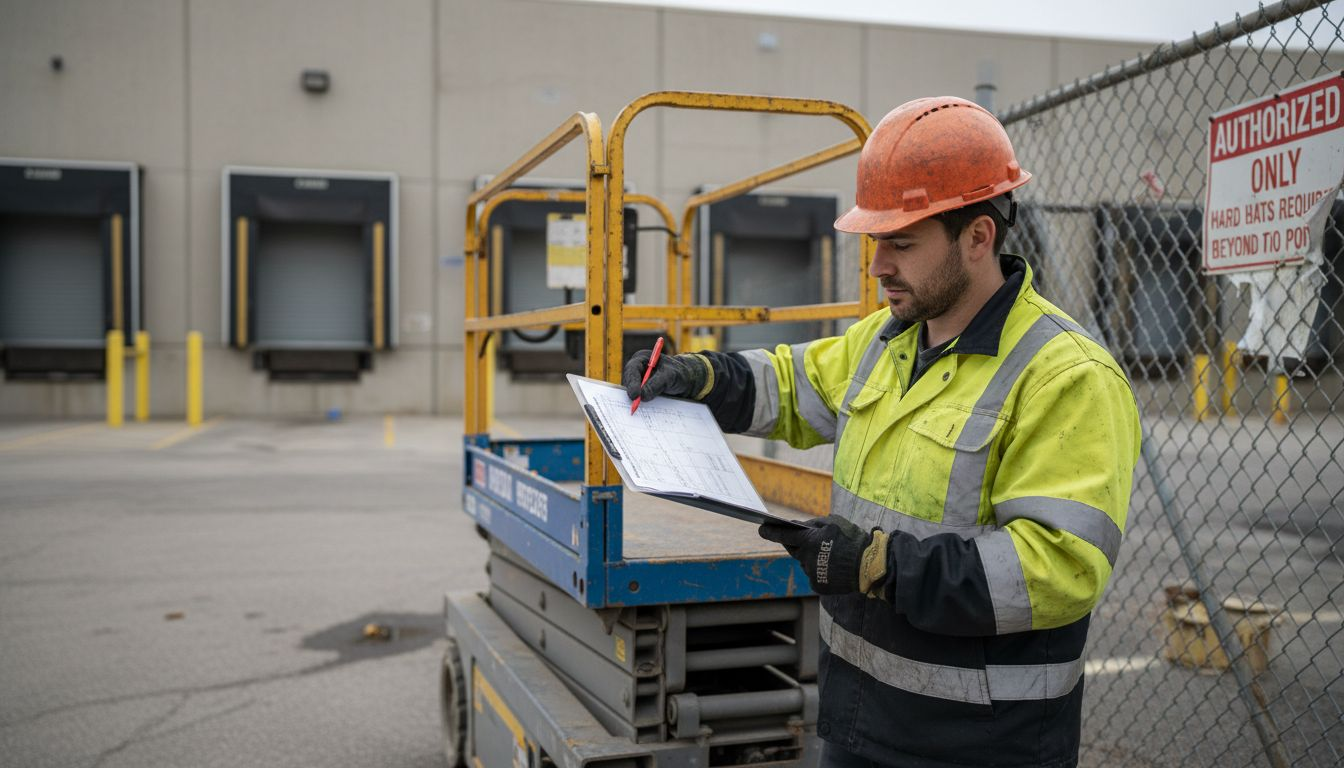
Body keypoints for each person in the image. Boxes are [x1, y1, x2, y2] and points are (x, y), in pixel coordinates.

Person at [623, 96, 1141, 768]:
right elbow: (789, 385)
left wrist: (878, 564)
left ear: (978, 237)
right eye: (875, 242)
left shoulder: (1066, 376)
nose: (877, 267)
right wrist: (699, 377)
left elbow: (1058, 570)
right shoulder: (889, 339)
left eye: (901, 243)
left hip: (979, 741)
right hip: (860, 714)